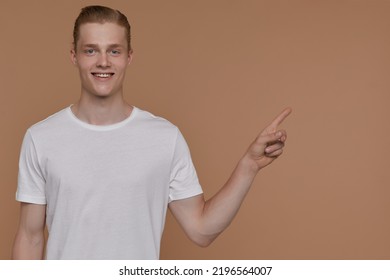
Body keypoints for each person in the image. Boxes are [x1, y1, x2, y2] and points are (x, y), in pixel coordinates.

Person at [12, 5, 291, 260]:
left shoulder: (164, 138)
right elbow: (30, 237)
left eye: (114, 50)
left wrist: (249, 166)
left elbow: (201, 229)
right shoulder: (42, 138)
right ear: (74, 55)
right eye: (90, 50)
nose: (103, 62)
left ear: (129, 57)